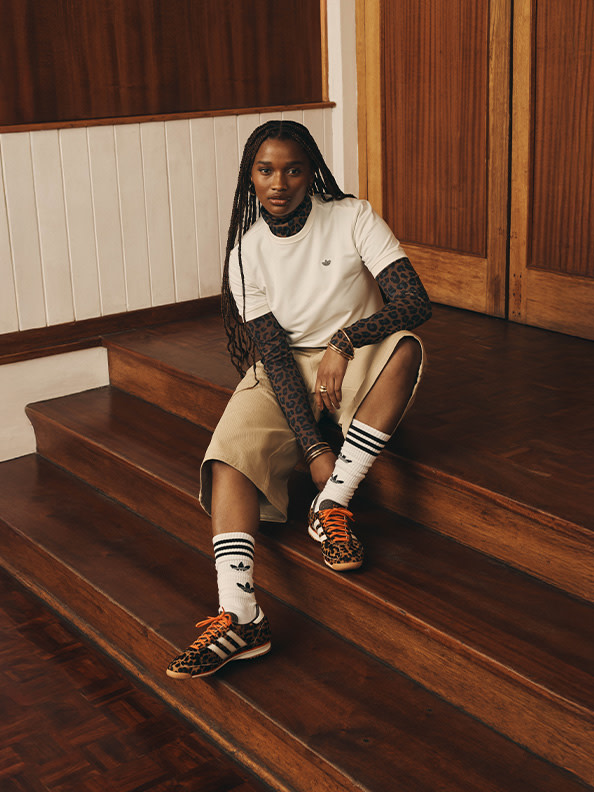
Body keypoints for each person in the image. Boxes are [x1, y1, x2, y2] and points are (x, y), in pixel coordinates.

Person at [166, 120, 431, 679]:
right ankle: (241, 617)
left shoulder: (353, 217)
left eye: (292, 169)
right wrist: (312, 448)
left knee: (405, 346)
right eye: (266, 170)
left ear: (312, 173)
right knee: (228, 455)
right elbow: (275, 356)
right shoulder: (246, 255)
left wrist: (346, 338)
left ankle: (332, 504)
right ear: (250, 178)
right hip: (287, 364)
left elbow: (414, 301)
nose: (279, 182)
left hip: (357, 353)